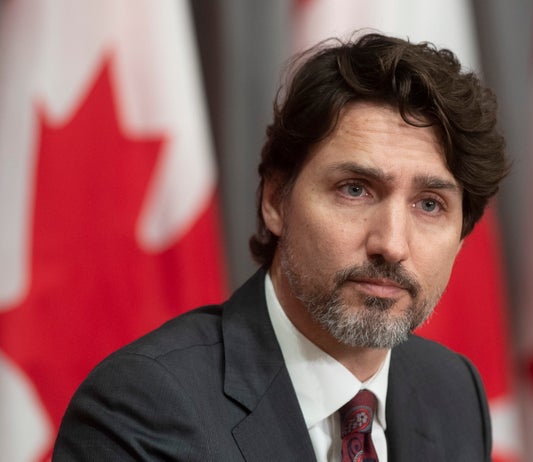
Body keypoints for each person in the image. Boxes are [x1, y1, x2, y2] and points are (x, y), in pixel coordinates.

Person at [53, 32, 508, 461]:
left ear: (463, 234)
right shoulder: (141, 407)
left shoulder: (453, 391)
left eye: (430, 204)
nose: (390, 244)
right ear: (275, 200)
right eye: (354, 189)